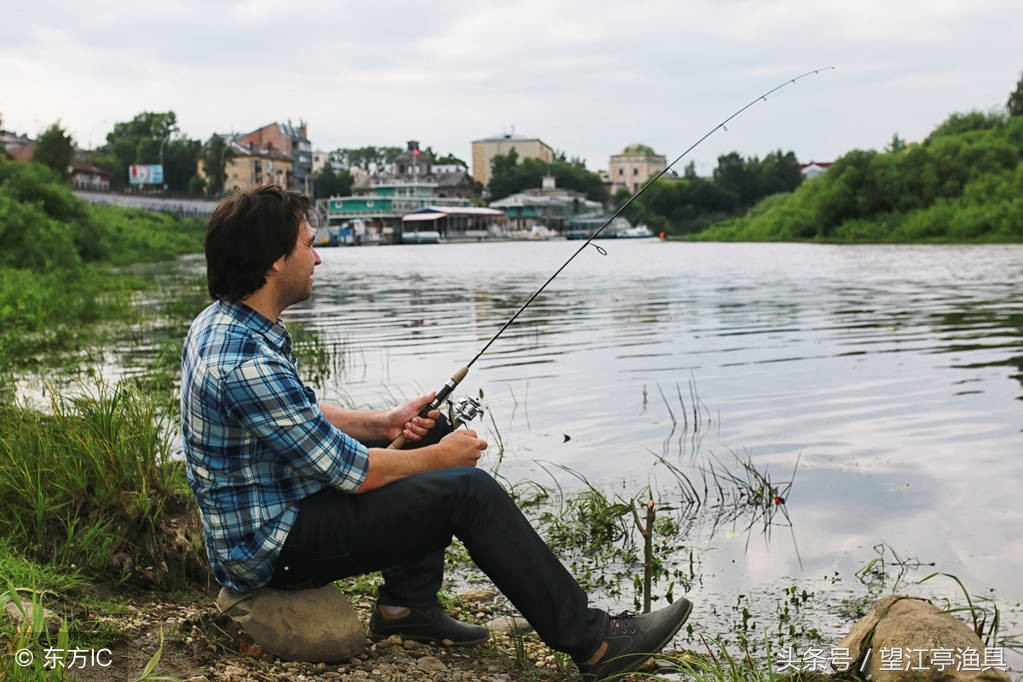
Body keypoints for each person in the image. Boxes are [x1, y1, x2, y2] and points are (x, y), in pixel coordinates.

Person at [181, 184, 694, 681]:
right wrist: (443, 460)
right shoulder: (244, 359)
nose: (318, 259)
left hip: (283, 509)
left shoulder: (227, 323)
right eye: (309, 245)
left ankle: (408, 609)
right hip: (271, 550)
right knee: (467, 491)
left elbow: (300, 413)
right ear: (275, 261)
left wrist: (386, 423)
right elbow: (353, 474)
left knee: (427, 432)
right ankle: (597, 644)